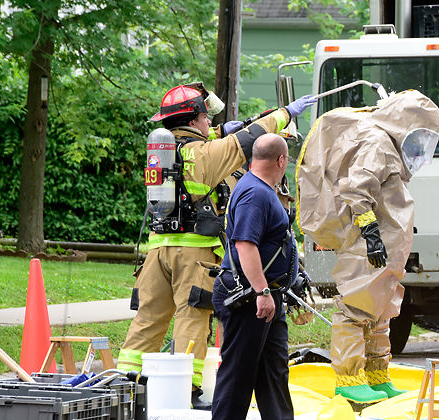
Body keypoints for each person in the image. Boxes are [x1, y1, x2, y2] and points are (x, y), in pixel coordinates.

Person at [117, 82, 317, 399]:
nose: (210, 122)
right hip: (193, 255)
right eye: (206, 117)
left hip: (156, 252)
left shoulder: (165, 152)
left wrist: (222, 128)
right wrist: (284, 114)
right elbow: (248, 140)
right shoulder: (207, 156)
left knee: (147, 320)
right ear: (195, 117)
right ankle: (185, 390)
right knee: (191, 320)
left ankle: (124, 384)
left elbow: (210, 139)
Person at [296, 90, 439, 404]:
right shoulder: (378, 142)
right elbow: (356, 187)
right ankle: (349, 380)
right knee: (355, 309)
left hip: (385, 247)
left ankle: (376, 376)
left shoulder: (388, 145)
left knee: (380, 312)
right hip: (368, 245)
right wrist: (371, 231)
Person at [202, 133, 321, 420]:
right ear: (282, 161)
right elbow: (245, 245)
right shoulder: (255, 194)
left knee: (273, 372)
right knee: (239, 372)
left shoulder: (260, 190)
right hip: (249, 298)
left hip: (268, 298)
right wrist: (261, 291)